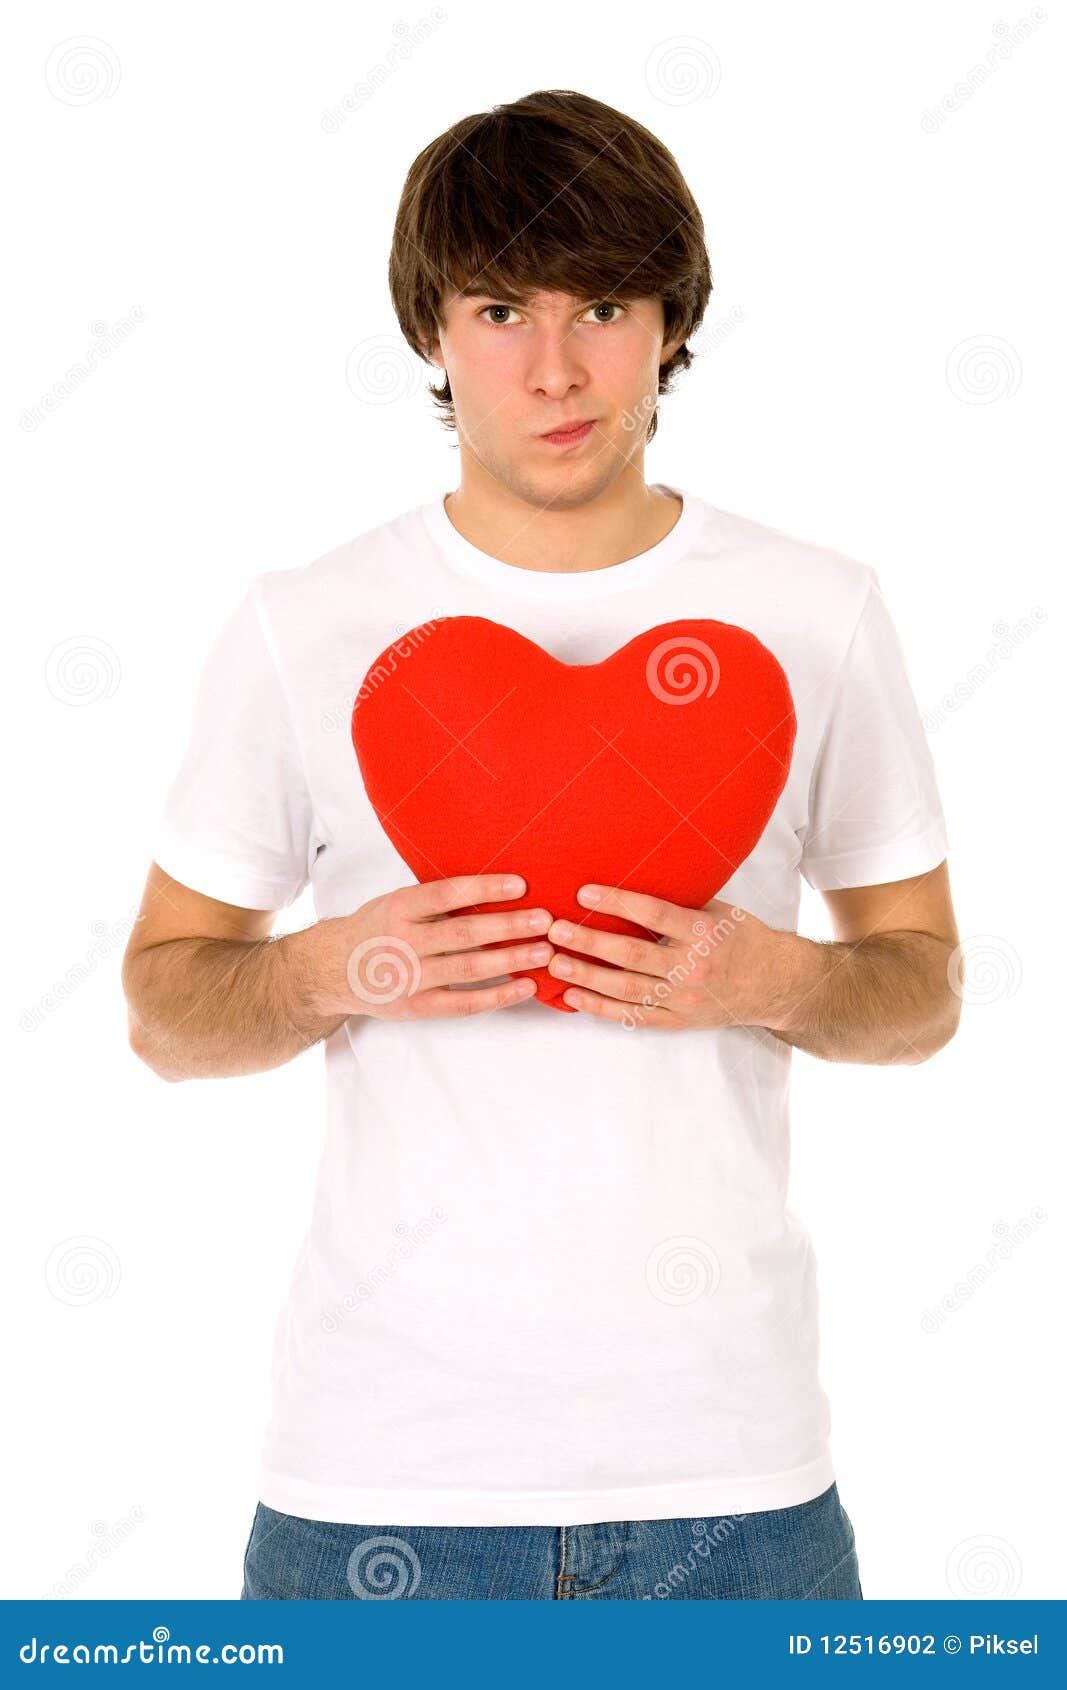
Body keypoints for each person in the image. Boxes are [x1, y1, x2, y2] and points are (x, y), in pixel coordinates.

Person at [121, 89, 961, 1601]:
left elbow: (925, 986)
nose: (557, 369)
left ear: (671, 324)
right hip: (377, 1480)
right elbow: (165, 1006)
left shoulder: (817, 610)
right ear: (432, 334)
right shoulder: (302, 624)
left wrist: (780, 978)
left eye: (607, 306)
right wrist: (329, 966)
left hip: (737, 1488)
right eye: (502, 307)